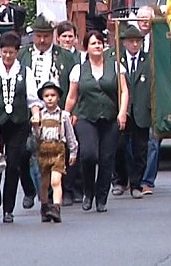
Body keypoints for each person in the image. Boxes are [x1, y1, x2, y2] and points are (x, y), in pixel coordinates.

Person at [0, 32, 41, 224]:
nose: (7, 56)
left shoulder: (25, 72)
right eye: (4, 52)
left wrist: (36, 114)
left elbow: (32, 98)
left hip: (18, 124)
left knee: (13, 165)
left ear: (17, 52)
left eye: (11, 53)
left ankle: (8, 209)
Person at [65, 30, 129, 213]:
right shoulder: (79, 70)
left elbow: (124, 91)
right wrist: (64, 115)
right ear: (87, 47)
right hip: (87, 117)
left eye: (100, 43)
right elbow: (72, 96)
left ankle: (102, 197)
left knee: (107, 158)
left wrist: (122, 112)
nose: (98, 46)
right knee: (88, 155)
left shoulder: (116, 67)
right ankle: (88, 192)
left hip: (109, 118)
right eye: (93, 43)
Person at [17, 15, 78, 207]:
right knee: (23, 152)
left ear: (52, 36)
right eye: (38, 36)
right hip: (29, 111)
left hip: (57, 111)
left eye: (45, 36)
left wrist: (70, 112)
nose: (42, 41)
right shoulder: (23, 55)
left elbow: (73, 87)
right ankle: (29, 190)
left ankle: (60, 191)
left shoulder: (66, 56)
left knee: (60, 149)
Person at [111, 25, 152, 199]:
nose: (135, 45)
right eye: (131, 41)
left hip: (141, 110)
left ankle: (136, 183)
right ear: (124, 42)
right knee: (119, 146)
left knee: (140, 149)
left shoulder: (148, 60)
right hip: (122, 110)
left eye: (138, 41)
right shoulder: (115, 59)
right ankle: (120, 180)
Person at [33, 81, 79, 223]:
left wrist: (73, 152)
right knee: (44, 182)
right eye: (46, 96)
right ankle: (45, 206)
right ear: (42, 98)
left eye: (53, 95)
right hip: (44, 151)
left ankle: (56, 208)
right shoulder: (40, 115)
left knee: (56, 180)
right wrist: (35, 126)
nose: (50, 98)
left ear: (58, 97)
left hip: (58, 151)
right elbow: (36, 137)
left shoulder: (63, 116)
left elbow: (70, 135)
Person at [137, 6, 162, 195]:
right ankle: (134, 178)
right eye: (141, 18)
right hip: (137, 99)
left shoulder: (160, 39)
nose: (144, 22)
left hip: (156, 98)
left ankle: (148, 181)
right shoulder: (129, 39)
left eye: (147, 18)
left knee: (154, 141)